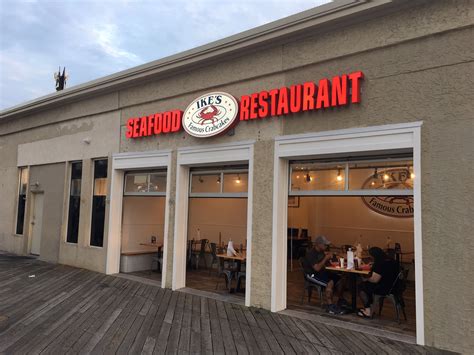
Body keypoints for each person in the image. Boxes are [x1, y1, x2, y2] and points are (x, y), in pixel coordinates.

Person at [302, 235, 347, 315]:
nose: (326, 246)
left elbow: (324, 264)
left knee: (340, 279)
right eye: (325, 244)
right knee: (330, 282)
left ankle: (341, 300)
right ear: (318, 244)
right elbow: (317, 268)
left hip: (321, 272)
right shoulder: (311, 254)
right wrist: (326, 258)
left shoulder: (321, 251)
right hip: (311, 274)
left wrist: (332, 260)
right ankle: (330, 306)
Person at [357, 247, 400, 318]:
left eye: (370, 256)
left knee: (362, 287)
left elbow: (374, 280)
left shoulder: (380, 264)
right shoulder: (391, 261)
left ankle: (368, 311)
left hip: (384, 288)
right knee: (366, 286)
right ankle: (370, 308)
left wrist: (365, 278)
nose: (370, 258)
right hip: (395, 286)